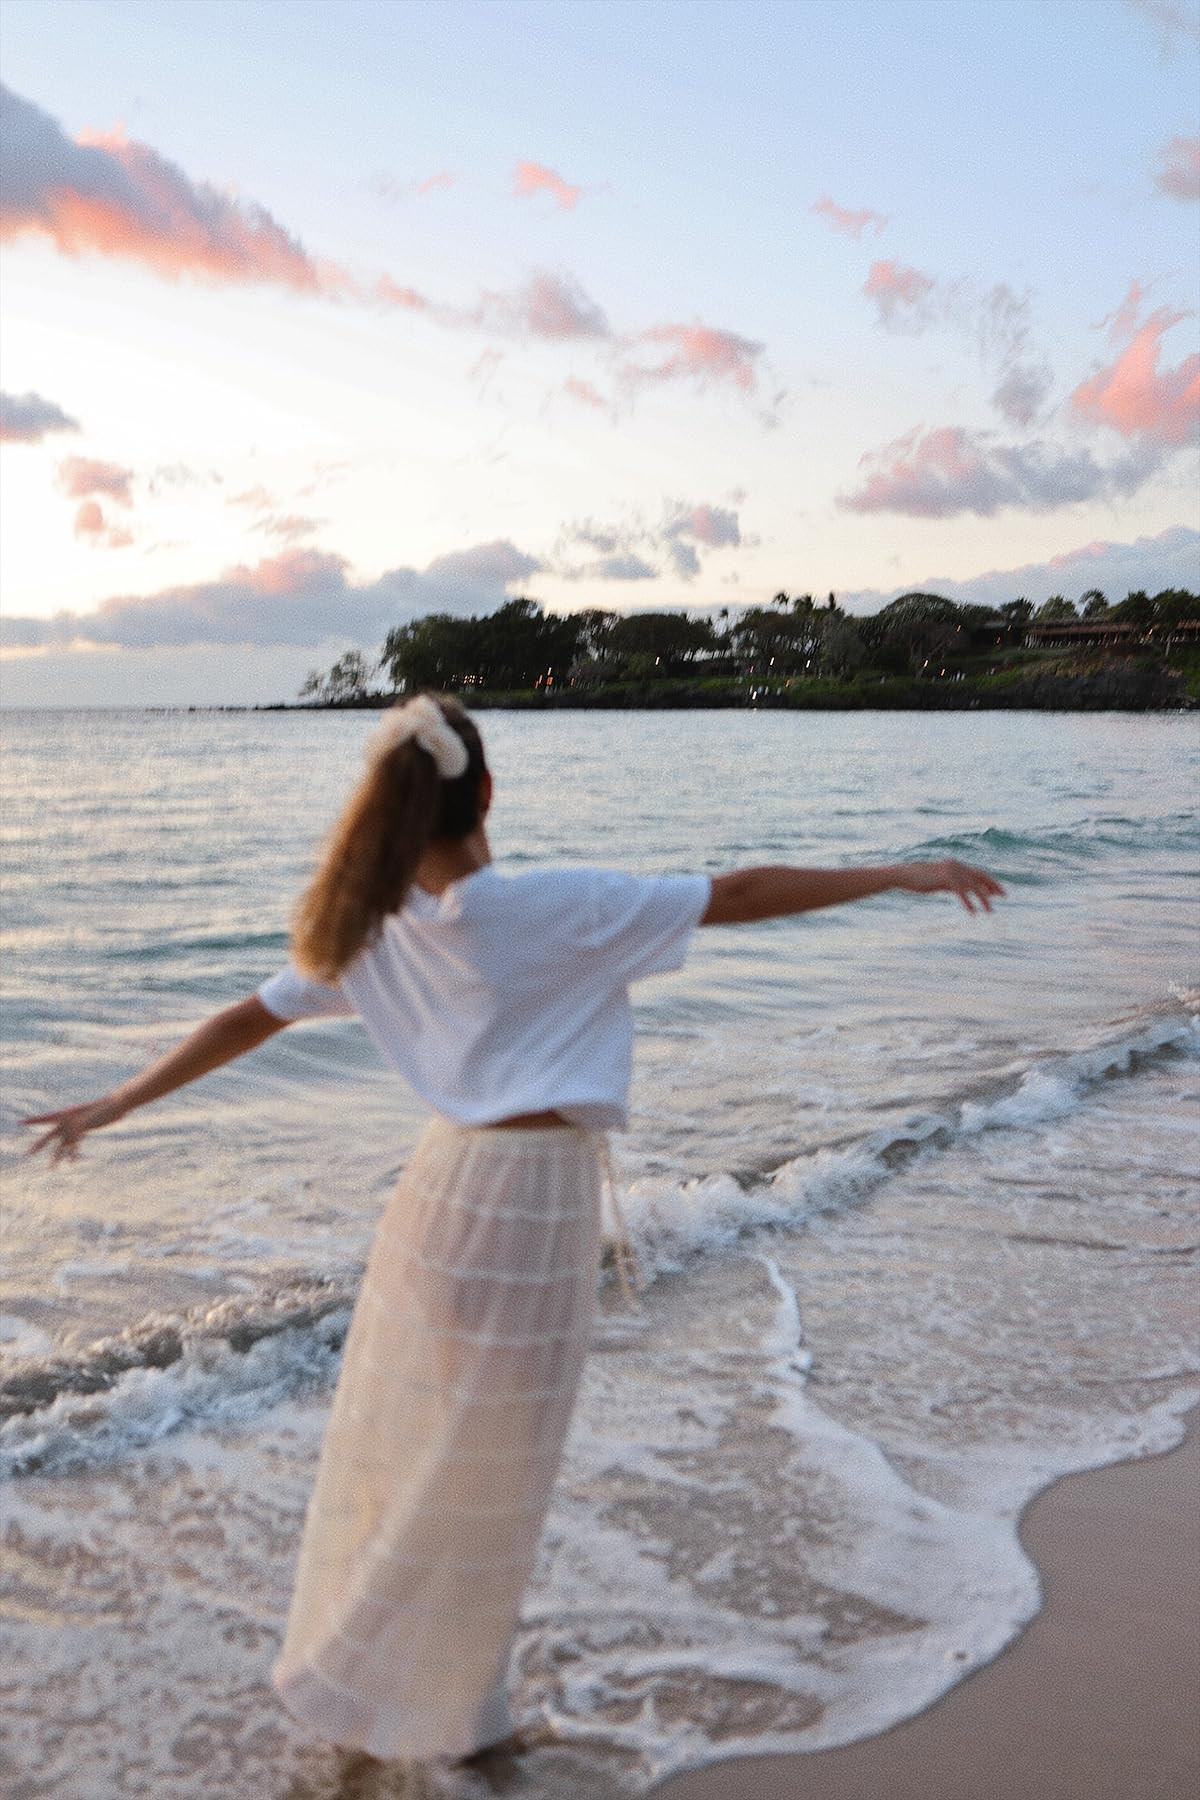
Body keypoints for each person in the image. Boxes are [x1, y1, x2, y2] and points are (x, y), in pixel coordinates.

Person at [24, 692, 1004, 1773]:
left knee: (424, 1453)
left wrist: (117, 1101)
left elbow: (246, 1019)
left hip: (439, 1199)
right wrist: (903, 872)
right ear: (485, 790)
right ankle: (424, 1708)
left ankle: (411, 1702)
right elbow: (737, 892)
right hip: (532, 1204)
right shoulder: (557, 905)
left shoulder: (368, 932)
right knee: (495, 1466)